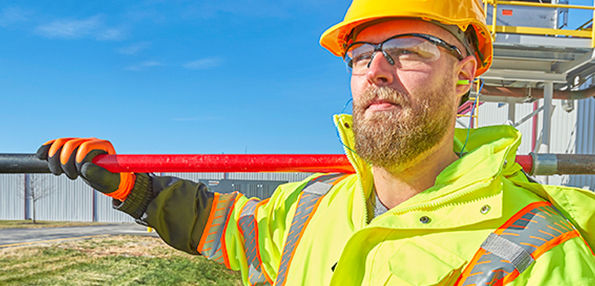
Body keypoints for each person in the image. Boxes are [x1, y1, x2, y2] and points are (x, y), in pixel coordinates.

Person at [36, 0, 594, 285]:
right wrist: (133, 187)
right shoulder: (316, 204)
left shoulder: (533, 248)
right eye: (359, 56)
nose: (375, 70)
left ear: (466, 72)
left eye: (408, 50)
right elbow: (225, 225)